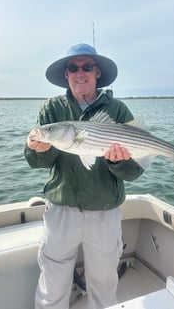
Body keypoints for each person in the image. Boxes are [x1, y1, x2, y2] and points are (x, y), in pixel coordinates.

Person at [24, 43, 144, 309]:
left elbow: (134, 172)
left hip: (105, 209)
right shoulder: (51, 111)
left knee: (103, 283)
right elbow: (35, 161)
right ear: (66, 74)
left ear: (97, 72)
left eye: (87, 66)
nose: (80, 73)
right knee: (52, 282)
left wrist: (119, 162)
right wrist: (38, 148)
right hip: (61, 209)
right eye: (73, 67)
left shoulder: (118, 110)